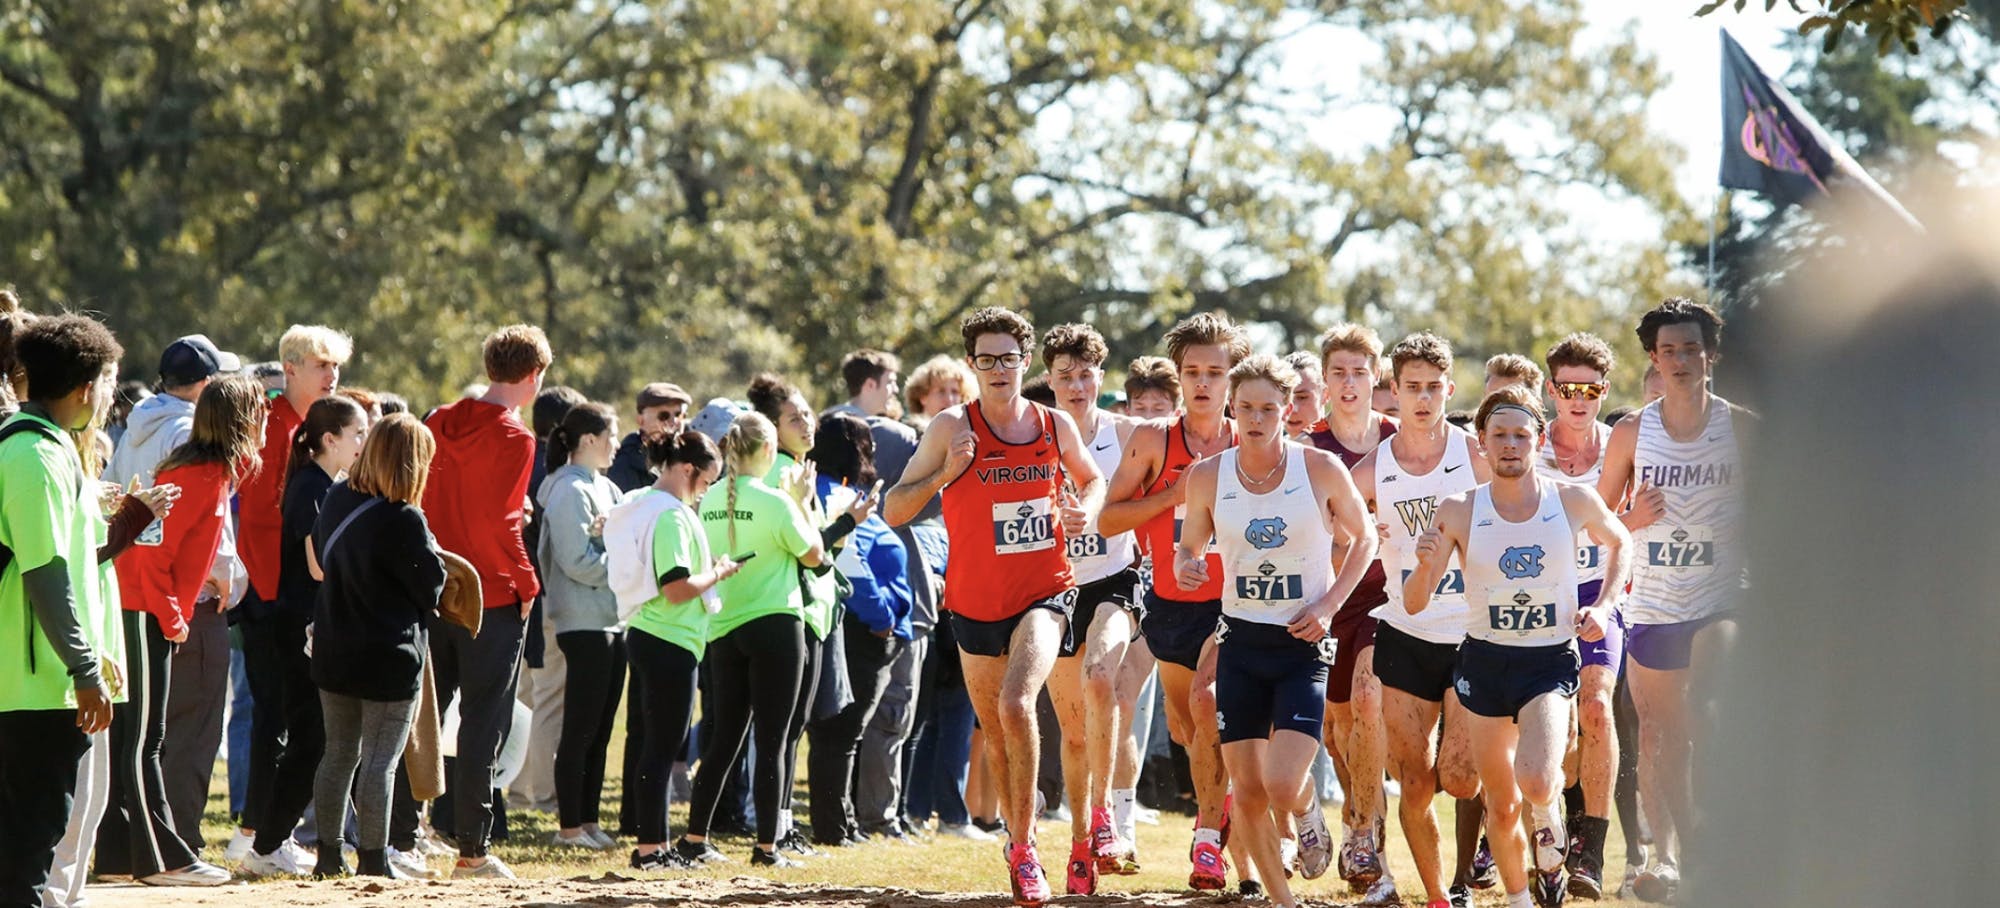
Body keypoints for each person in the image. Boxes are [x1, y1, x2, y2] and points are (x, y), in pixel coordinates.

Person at [884, 307, 1102, 907]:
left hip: (1045, 590)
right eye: (987, 359)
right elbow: (894, 510)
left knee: (1016, 702)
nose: (1000, 368)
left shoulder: (1055, 425)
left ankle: (1028, 845)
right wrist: (946, 475)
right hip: (975, 601)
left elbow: (1093, 479)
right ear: (973, 364)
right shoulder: (951, 427)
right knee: (998, 736)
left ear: (1025, 360)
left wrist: (1086, 507)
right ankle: (1015, 839)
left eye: (1009, 357)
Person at [1405, 385, 1632, 908]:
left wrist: (1603, 606)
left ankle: (1550, 818)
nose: (1510, 444)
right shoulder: (1459, 509)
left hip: (1547, 660)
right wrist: (1424, 562)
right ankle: (1519, 898)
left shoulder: (1570, 499)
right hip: (1485, 661)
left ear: (1538, 439)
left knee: (1534, 777)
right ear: (1481, 442)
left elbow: (1620, 541)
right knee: (1502, 808)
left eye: (1521, 435)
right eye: (1499, 435)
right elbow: (1415, 603)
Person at [1178, 353, 1378, 908]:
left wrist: (1331, 605)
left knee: (1283, 784)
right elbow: (1188, 546)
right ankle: (1282, 901)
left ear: (1287, 410)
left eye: (1269, 408)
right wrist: (1187, 564)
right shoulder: (1207, 477)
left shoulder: (1319, 470)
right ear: (1230, 409)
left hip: (1301, 643)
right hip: (1241, 641)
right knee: (1247, 791)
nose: (1256, 419)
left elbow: (1365, 540)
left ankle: (1309, 808)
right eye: (1246, 408)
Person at [1594, 299, 1749, 903]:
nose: (1680, 359)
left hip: (1724, 594)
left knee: (1704, 709)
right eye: (1668, 350)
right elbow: (1598, 517)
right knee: (1658, 733)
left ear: (1711, 355)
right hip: (1655, 600)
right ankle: (1670, 858)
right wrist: (1629, 518)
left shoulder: (1741, 427)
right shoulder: (1634, 431)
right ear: (1654, 359)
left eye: (1690, 348)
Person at [1098, 312, 1247, 892]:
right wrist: (1172, 495)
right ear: (1179, 376)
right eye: (1193, 372)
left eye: (1215, 372)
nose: (1203, 383)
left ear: (1232, 378)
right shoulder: (1153, 439)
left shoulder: (1248, 440)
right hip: (1169, 605)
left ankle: (1209, 838)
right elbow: (1109, 516)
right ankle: (1224, 801)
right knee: (1187, 728)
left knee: (1209, 707)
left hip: (1234, 607)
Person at [103, 375, 268, 888]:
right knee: (142, 742)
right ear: (242, 421)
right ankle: (162, 861)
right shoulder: (196, 475)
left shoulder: (208, 474)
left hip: (149, 610)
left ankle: (115, 857)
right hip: (142, 611)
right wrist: (173, 617)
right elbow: (149, 556)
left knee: (138, 740)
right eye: (260, 411)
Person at [1349, 332, 1492, 908]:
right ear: (1394, 391)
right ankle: (1438, 897)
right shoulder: (1371, 469)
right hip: (1404, 631)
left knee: (1459, 776)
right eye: (1413, 388)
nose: (1425, 398)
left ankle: (1494, 837)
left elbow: (1523, 508)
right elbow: (1329, 528)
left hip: (1468, 631)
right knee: (1414, 778)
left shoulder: (1473, 456)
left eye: (1435, 387)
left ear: (1449, 389)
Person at [0, 315, 123, 908]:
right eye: (105, 382)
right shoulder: (32, 455)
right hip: (29, 687)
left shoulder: (49, 450)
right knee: (25, 848)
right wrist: (82, 668)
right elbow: (44, 572)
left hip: (40, 681)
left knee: (28, 843)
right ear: (84, 388)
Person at [422, 324, 550, 879]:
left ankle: (405, 835)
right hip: (491, 593)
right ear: (534, 375)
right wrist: (528, 583)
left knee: (423, 716)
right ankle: (472, 849)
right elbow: (501, 523)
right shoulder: (518, 438)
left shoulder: (437, 420)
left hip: (433, 583)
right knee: (481, 723)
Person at [674, 412, 828, 867]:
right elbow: (816, 558)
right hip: (776, 625)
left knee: (723, 738)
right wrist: (802, 501)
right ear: (767, 451)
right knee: (773, 740)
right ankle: (766, 848)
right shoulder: (778, 501)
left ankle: (695, 838)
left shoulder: (708, 498)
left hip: (724, 628)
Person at [307, 413, 448, 880]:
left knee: (338, 753)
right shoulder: (405, 517)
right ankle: (373, 857)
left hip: (334, 644)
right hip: (389, 655)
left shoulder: (336, 498)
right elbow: (430, 589)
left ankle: (328, 855)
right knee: (380, 762)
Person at [236, 323, 351, 876]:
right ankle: (258, 836)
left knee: (286, 720)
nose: (333, 375)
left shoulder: (308, 426)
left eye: (336, 366)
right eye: (322, 364)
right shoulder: (270, 424)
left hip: (288, 596)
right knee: (277, 719)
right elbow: (258, 518)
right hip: (271, 596)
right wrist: (267, 593)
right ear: (292, 369)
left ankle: (262, 834)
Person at [1036, 324, 1145, 893]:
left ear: (1101, 378)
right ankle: (1080, 845)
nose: (1077, 385)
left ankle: (1104, 816)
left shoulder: (1129, 433)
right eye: (1065, 376)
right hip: (1055, 590)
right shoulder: (1033, 434)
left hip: (1113, 582)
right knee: (1074, 736)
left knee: (1102, 678)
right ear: (1049, 379)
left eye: (1086, 375)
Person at [1302, 324, 1400, 901]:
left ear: (1375, 375)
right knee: (1338, 731)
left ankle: (1373, 845)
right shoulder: (1309, 451)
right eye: (1337, 371)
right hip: (1329, 597)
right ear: (1325, 379)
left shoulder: (1400, 438)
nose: (1348, 382)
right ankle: (1358, 824)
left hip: (1388, 597)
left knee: (1367, 700)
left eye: (1359, 371)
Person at [611, 429, 737, 871]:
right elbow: (678, 587)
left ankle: (656, 846)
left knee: (658, 746)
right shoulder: (673, 515)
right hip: (668, 639)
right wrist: (719, 572)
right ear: (687, 470)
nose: (705, 492)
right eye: (705, 482)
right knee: (661, 749)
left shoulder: (651, 505)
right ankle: (651, 849)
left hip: (656, 636)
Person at [1535, 333, 1629, 899]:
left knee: (1596, 707)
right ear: (1551, 389)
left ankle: (1592, 847)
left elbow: (1628, 530)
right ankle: (1555, 834)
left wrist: (1609, 601)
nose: (1578, 398)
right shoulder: (1526, 443)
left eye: (1589, 388)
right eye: (1567, 387)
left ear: (1603, 390)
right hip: (1539, 598)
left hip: (1600, 594)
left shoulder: (1623, 444)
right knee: (1559, 734)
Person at [806, 413, 910, 847]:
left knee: (837, 733)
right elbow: (852, 566)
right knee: (841, 732)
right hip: (859, 630)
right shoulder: (838, 498)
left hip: (848, 626)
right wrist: (884, 619)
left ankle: (841, 821)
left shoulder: (828, 493)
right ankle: (834, 827)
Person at [536, 402, 627, 851]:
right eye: (612, 435)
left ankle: (589, 821)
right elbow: (576, 561)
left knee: (602, 727)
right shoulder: (568, 490)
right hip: (582, 621)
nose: (617, 444)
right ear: (589, 439)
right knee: (581, 727)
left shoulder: (606, 487)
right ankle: (569, 826)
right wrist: (628, 568)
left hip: (612, 618)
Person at [513, 385, 585, 818]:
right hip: (547, 596)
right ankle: (539, 793)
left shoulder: (523, 461)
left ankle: (518, 788)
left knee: (524, 695)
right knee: (549, 697)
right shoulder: (554, 472)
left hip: (519, 595)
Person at [609, 383, 691, 494]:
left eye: (679, 415)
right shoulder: (624, 465)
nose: (673, 423)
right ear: (640, 420)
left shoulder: (691, 457)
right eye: (663, 416)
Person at [1282, 352, 1326, 440]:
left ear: (1325, 395)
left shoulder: (1351, 446)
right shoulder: (1270, 451)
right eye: (1285, 398)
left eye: (1302, 397)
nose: (1292, 409)